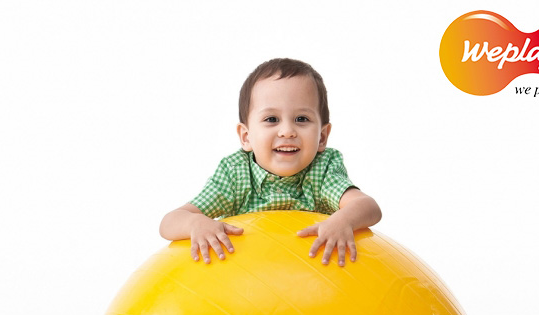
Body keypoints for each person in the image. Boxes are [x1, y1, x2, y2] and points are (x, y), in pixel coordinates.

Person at [159, 58, 381, 267]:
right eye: (271, 119)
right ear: (246, 137)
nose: (287, 131)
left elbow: (368, 206)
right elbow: (169, 222)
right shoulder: (236, 173)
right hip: (247, 277)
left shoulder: (323, 169)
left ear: (322, 137)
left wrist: (343, 221)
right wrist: (195, 223)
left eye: (301, 119)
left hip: (314, 277)